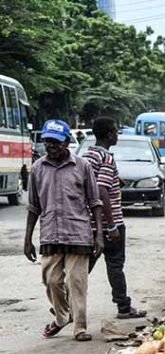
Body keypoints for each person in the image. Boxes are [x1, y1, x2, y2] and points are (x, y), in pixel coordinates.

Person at [23, 119, 104, 341]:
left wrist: (99, 234)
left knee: (76, 282)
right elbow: (33, 206)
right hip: (50, 232)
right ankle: (61, 317)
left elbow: (94, 202)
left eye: (56, 143)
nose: (51, 147)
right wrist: (27, 238)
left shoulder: (82, 166)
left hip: (78, 232)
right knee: (51, 281)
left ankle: (80, 327)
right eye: (47, 142)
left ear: (67, 143)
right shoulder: (38, 168)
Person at [83, 116, 146, 319]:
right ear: (109, 134)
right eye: (116, 131)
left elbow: (92, 184)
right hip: (109, 223)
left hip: (89, 222)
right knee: (115, 265)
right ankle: (123, 306)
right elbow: (101, 191)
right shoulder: (107, 158)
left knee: (84, 266)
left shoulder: (88, 156)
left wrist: (115, 181)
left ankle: (64, 303)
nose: (117, 135)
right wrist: (110, 225)